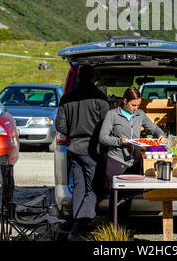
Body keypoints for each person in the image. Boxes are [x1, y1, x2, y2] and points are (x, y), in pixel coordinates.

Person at [55, 64, 110, 241]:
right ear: (94, 78)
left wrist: (73, 133)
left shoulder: (66, 98)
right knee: (94, 189)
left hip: (74, 149)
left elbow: (60, 126)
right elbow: (106, 128)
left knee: (79, 187)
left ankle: (75, 223)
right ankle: (79, 228)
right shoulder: (100, 98)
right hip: (93, 150)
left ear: (78, 77)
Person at [99, 86, 167, 224]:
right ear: (125, 101)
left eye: (138, 105)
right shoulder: (112, 115)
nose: (136, 108)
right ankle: (113, 230)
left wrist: (161, 135)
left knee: (128, 198)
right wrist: (119, 141)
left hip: (133, 162)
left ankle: (125, 231)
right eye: (133, 105)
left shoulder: (140, 114)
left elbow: (153, 128)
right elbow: (103, 137)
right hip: (116, 161)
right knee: (116, 199)